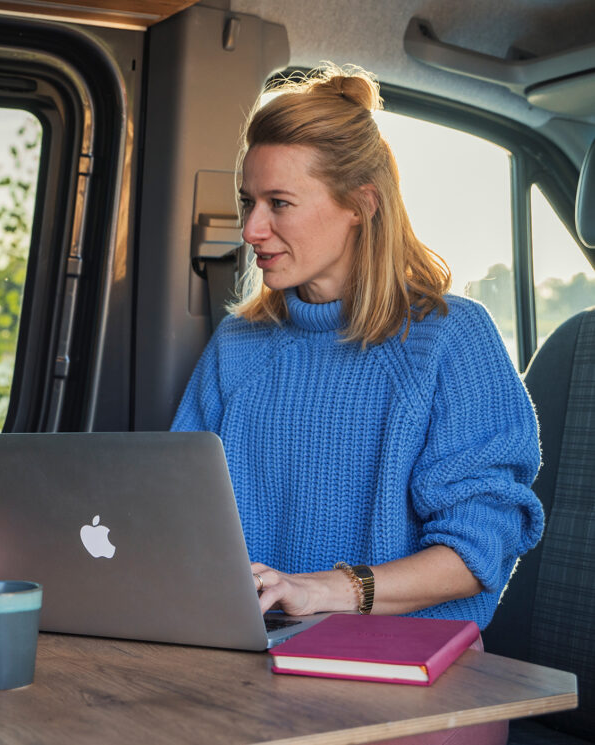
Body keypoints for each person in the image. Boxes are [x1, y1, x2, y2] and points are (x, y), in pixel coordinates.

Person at [171, 65, 542, 741]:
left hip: (411, 675)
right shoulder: (238, 346)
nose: (252, 229)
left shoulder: (449, 339)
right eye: (247, 199)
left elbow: (477, 549)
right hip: (255, 665)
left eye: (279, 203)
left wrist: (324, 589)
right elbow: (175, 512)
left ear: (361, 204)